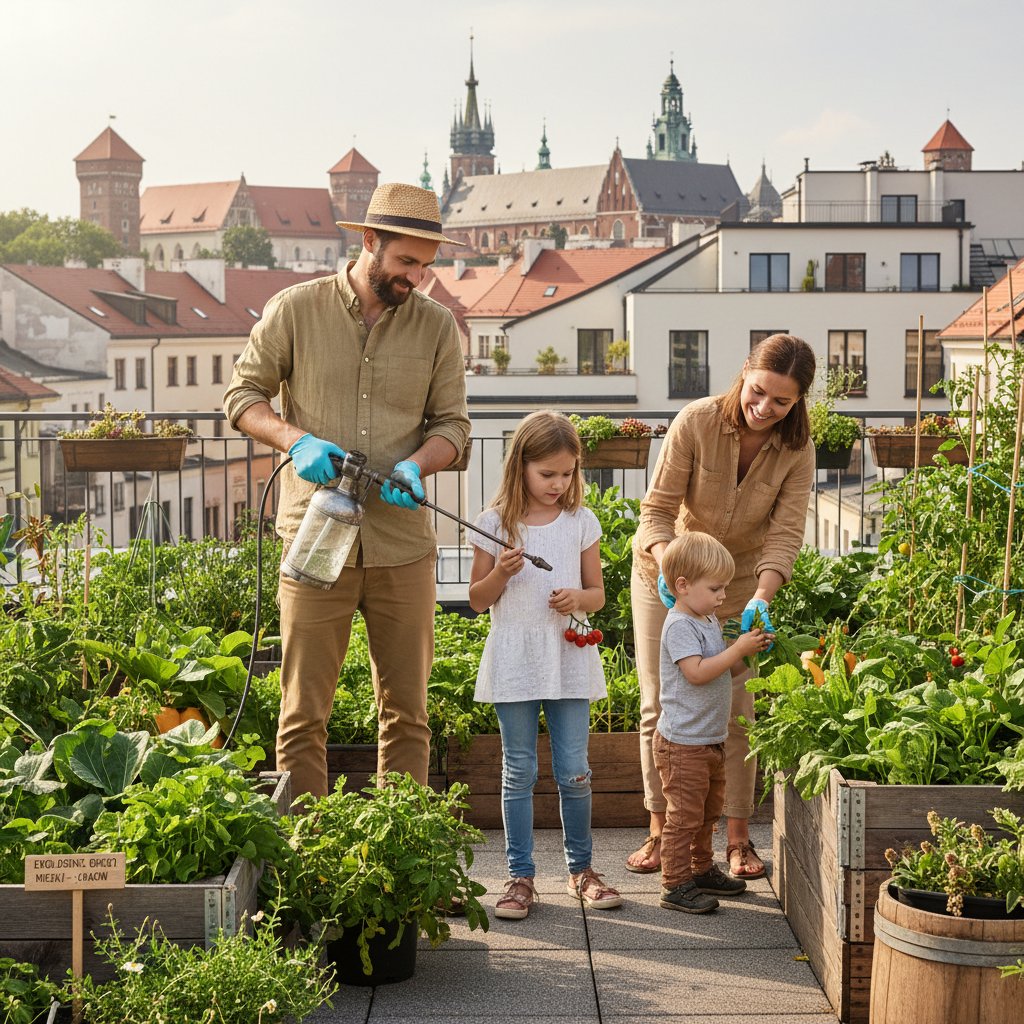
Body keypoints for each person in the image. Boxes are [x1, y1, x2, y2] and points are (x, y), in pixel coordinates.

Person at [223, 182, 471, 803]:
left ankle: (403, 848)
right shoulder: (293, 309)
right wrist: (294, 440)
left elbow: (454, 429)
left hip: (402, 546)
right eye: (405, 262)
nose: (416, 276)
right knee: (304, 714)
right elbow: (242, 398)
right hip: (313, 538)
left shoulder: (438, 327)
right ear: (368, 242)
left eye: (425, 265)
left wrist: (419, 465)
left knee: (407, 713)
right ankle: (303, 858)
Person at [627, 334, 816, 879]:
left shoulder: (796, 451)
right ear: (744, 373)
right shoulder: (697, 421)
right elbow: (657, 511)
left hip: (736, 588)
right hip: (668, 574)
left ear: (798, 401)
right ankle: (664, 833)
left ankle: (737, 839)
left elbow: (785, 535)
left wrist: (761, 596)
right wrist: (670, 569)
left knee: (736, 714)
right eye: (758, 392)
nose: (763, 409)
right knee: (660, 703)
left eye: (781, 402)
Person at [468, 410, 623, 920]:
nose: (558, 484)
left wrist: (577, 595)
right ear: (521, 468)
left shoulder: (581, 522)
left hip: (567, 654)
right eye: (547, 474)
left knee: (574, 770)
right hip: (514, 656)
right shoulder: (494, 524)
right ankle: (520, 877)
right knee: (518, 771)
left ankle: (581, 870)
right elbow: (475, 599)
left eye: (567, 473)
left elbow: (597, 595)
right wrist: (504, 575)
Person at [654, 531, 772, 914]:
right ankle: (674, 884)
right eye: (716, 588)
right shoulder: (678, 626)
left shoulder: (705, 618)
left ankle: (700, 868)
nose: (724, 596)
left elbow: (725, 670)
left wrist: (748, 650)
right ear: (683, 586)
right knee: (683, 817)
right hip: (683, 744)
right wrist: (736, 648)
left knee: (706, 813)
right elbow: (698, 673)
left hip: (709, 739)